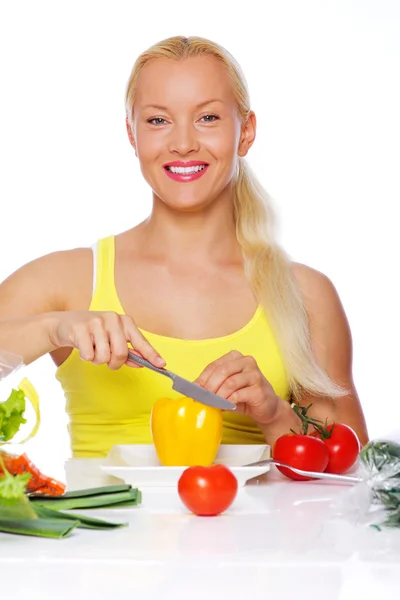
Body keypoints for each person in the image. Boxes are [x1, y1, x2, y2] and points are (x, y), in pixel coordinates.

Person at [0, 35, 368, 458]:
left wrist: (272, 413)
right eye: (158, 121)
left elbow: (352, 473)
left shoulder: (306, 295)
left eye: (208, 117)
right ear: (132, 135)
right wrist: (53, 328)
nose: (183, 143)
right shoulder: (67, 280)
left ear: (245, 132)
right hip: (101, 525)